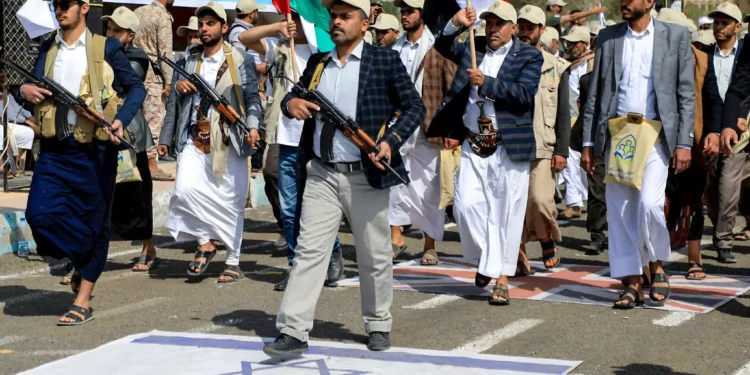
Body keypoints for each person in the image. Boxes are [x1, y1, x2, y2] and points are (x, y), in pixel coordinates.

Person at [264, 0, 424, 355]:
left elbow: (414, 106)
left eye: (345, 17)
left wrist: (390, 142)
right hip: (322, 173)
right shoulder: (318, 63)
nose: (336, 22)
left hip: (365, 175)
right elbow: (296, 95)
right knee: (308, 252)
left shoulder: (384, 60)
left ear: (364, 24)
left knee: (374, 254)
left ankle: (378, 323)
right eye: (334, 16)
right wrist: (291, 104)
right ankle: (293, 329)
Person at [17, 0, 146, 325]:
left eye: (65, 4)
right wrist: (24, 89)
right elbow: (30, 87)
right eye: (54, 5)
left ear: (83, 7)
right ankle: (83, 259)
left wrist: (120, 122)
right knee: (39, 215)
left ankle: (83, 297)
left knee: (92, 219)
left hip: (94, 150)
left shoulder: (107, 47)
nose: (59, 10)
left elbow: (136, 90)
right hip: (54, 149)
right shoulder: (48, 48)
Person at [581, 0, 695, 309]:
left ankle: (657, 264)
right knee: (620, 212)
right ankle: (631, 281)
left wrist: (684, 142)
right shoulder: (608, 37)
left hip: (657, 135)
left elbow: (686, 93)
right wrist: (588, 143)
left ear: (649, 2)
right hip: (618, 135)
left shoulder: (675, 36)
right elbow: (596, 93)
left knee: (649, 205)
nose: (623, 3)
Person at [430, 1, 543, 305]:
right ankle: (488, 261)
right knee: (465, 206)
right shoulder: (472, 44)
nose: (492, 29)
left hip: (509, 146)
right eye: (489, 23)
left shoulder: (530, 55)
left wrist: (488, 84)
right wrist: (455, 21)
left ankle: (502, 280)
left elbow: (523, 95)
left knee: (506, 213)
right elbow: (441, 44)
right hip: (474, 143)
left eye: (499, 24)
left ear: (513, 28)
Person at [239, 10, 344, 291]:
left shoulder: (323, 51)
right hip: (285, 137)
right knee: (289, 209)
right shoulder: (278, 47)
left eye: (297, 17)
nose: (293, 22)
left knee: (318, 207)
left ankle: (331, 251)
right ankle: (296, 265)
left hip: (316, 140)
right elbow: (243, 37)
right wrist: (276, 27)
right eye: (290, 17)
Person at [158, 2, 262, 283]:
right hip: (194, 137)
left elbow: (252, 98)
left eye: (210, 23)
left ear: (224, 28)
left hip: (231, 139)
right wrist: (166, 137)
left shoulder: (240, 59)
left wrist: (252, 126)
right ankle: (205, 242)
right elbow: (173, 103)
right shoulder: (189, 60)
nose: (204, 29)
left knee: (232, 200)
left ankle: (232, 260)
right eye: (201, 24)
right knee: (184, 191)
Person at [102, 6, 160, 272]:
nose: (110, 34)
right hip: (101, 129)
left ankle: (148, 246)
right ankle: (85, 258)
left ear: (131, 35)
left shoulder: (136, 57)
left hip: (130, 133)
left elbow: (124, 83)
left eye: (117, 30)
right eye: (109, 29)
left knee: (138, 192)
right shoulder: (98, 52)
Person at [515, 5, 571, 273]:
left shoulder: (557, 67)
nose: (525, 33)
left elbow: (563, 112)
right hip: (511, 144)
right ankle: (518, 255)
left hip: (543, 144)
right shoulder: (506, 61)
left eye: (530, 28)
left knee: (539, 199)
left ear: (541, 31)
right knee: (513, 205)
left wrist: (562, 150)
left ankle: (546, 237)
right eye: (521, 27)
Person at [389, 0, 443, 266]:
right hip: (397, 125)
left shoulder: (436, 46)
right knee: (395, 184)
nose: (404, 16)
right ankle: (395, 237)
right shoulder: (394, 48)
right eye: (402, 11)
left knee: (428, 187)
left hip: (426, 126)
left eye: (409, 11)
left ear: (422, 14)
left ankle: (429, 244)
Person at [707, 2, 746, 264]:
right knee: (710, 188)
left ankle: (724, 240)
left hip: (739, 131)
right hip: (710, 130)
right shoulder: (703, 54)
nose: (719, 27)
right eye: (716, 22)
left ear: (738, 27)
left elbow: (744, 90)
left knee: (728, 186)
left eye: (725, 23)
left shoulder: (745, 54)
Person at [134, 0, 175, 180]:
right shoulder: (162, 16)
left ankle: (136, 162)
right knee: (153, 121)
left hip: (134, 72)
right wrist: (169, 81)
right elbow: (165, 53)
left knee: (136, 121)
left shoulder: (137, 12)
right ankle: (151, 165)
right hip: (153, 75)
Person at [559, 25, 593, 220]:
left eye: (574, 43)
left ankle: (581, 199)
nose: (570, 46)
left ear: (585, 44)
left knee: (583, 160)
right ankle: (574, 202)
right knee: (570, 158)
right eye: (568, 43)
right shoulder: (567, 64)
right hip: (569, 116)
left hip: (585, 116)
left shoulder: (592, 62)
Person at [1, 93, 37, 176]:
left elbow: (18, 108)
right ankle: (2, 167)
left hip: (12, 123)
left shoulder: (9, 96)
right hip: (3, 123)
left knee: (27, 133)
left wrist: (30, 117)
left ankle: (15, 165)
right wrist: (25, 120)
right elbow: (8, 115)